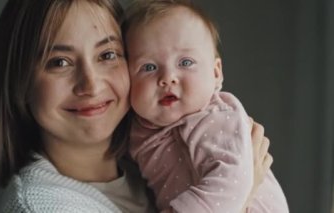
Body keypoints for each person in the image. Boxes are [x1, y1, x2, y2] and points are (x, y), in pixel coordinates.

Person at [0, 0, 273, 212]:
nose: (91, 84)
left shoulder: (149, 164)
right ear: (20, 83)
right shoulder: (40, 206)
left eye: (108, 54)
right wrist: (240, 197)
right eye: (59, 62)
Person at [123, 0, 289, 212]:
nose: (167, 78)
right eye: (149, 66)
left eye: (185, 62)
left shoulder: (214, 116)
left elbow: (233, 179)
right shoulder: (137, 129)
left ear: (215, 73)